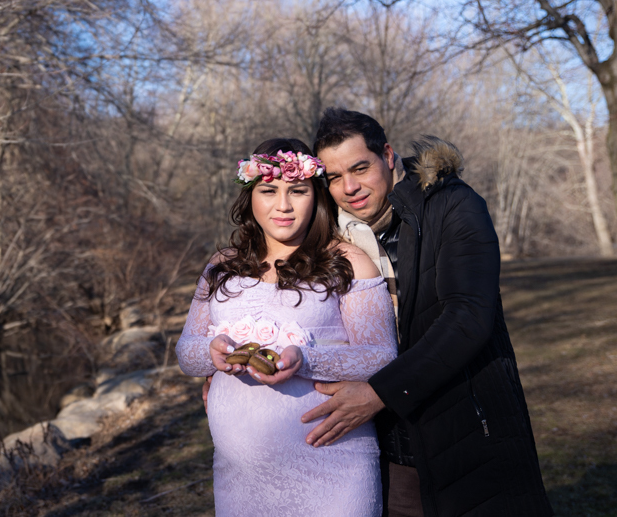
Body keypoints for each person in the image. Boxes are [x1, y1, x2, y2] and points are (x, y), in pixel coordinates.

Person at [301, 108, 552, 517]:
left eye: (360, 168)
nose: (349, 187)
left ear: (388, 154)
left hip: (469, 427)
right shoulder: (330, 237)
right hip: (388, 446)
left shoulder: (453, 204)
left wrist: (378, 393)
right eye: (333, 177)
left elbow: (468, 317)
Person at [176, 137, 398, 516]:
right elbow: (186, 354)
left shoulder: (348, 263)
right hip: (241, 480)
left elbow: (382, 357)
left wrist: (305, 360)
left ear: (315, 196)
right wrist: (212, 354)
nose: (283, 205)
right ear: (250, 198)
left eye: (297, 191)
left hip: (333, 468)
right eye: (268, 191)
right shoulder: (221, 267)